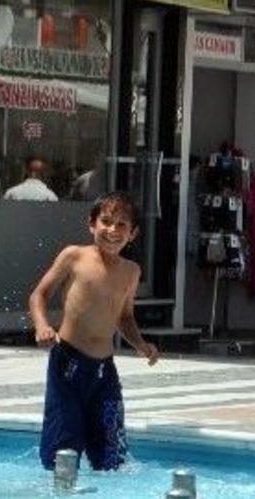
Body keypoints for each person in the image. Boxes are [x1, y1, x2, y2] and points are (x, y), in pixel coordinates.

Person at [28, 191, 160, 471]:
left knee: (112, 457)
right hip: (68, 366)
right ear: (92, 224)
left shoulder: (131, 271)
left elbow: (125, 317)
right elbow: (39, 295)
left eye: (122, 225)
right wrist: (42, 326)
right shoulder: (74, 256)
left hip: (104, 373)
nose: (113, 230)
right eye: (106, 221)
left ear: (133, 234)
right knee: (62, 454)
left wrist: (140, 344)